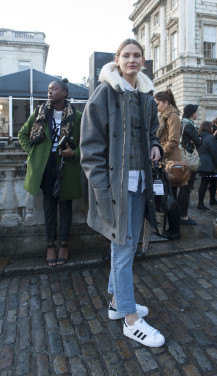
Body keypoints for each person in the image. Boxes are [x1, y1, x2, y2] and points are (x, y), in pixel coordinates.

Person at [80, 39, 165, 347]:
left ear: (142, 60)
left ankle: (117, 303)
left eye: (137, 55)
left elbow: (152, 131)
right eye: (126, 55)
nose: (132, 60)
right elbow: (90, 149)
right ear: (117, 60)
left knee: (125, 246)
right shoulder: (104, 93)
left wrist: (154, 144)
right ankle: (130, 319)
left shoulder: (145, 95)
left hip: (141, 181)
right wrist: (102, 189)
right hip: (115, 187)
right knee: (124, 248)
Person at [18, 79, 82, 266]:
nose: (50, 92)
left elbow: (86, 143)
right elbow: (22, 134)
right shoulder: (39, 112)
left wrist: (74, 153)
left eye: (54, 89)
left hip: (66, 166)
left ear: (64, 93)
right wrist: (34, 152)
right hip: (45, 167)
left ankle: (64, 245)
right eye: (48, 89)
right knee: (49, 208)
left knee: (65, 208)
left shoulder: (76, 116)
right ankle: (50, 246)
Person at [154, 88, 181, 240]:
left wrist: (159, 152)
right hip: (166, 160)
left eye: (158, 104)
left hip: (172, 161)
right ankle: (172, 229)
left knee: (172, 198)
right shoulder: (165, 116)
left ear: (166, 102)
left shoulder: (173, 116)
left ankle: (175, 231)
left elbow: (174, 140)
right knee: (168, 197)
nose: (156, 107)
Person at [178, 104, 202, 225]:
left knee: (182, 188)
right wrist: (197, 140)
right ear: (192, 113)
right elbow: (198, 142)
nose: (198, 113)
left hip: (181, 159)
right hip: (189, 160)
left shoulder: (182, 123)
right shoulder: (189, 126)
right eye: (196, 112)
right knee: (187, 189)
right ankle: (184, 217)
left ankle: (179, 214)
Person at [196, 121, 217, 210]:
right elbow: (215, 153)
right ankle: (200, 203)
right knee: (205, 183)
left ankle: (212, 199)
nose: (212, 129)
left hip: (203, 163)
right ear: (207, 128)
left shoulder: (199, 136)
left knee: (213, 182)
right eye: (211, 127)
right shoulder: (210, 138)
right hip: (209, 164)